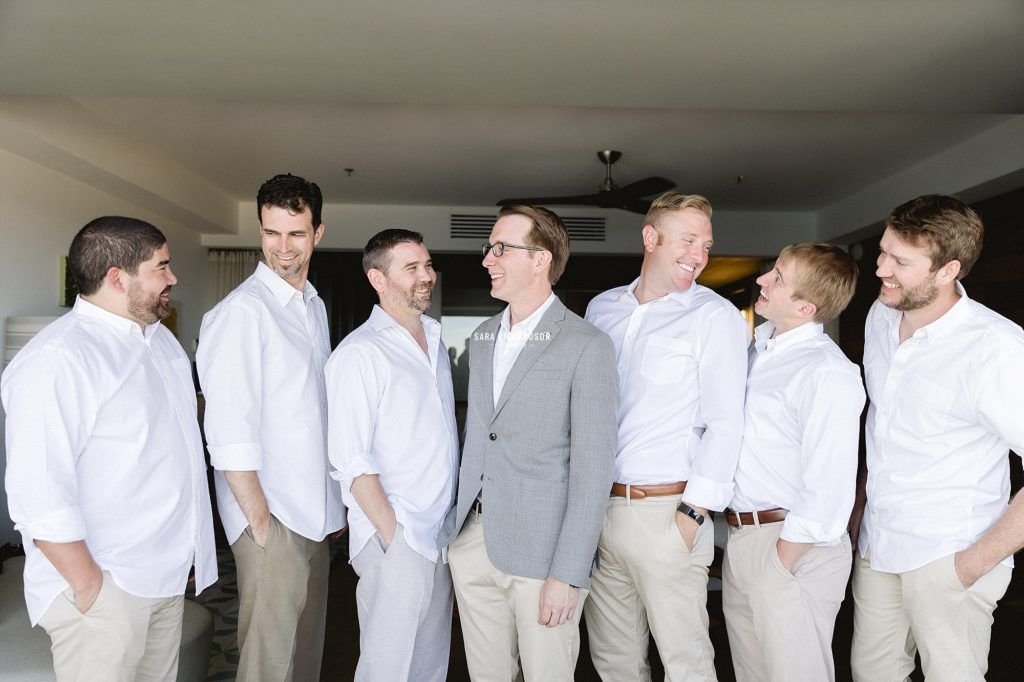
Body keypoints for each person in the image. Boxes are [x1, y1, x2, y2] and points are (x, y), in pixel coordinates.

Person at [3, 216, 217, 681]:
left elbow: (174, 457)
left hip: (163, 578)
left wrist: (188, 552)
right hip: (105, 589)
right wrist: (91, 588)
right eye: (161, 267)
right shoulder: (57, 359)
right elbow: (38, 495)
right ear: (117, 277)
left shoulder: (163, 345)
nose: (173, 278)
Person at [440, 205, 618, 681]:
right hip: (473, 542)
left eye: (502, 248)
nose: (487, 259)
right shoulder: (480, 337)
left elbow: (593, 468)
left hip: (544, 555)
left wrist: (569, 572)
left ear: (540, 259)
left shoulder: (587, 344)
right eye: (488, 248)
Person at [850, 194, 1024, 681]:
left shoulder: (997, 349)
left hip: (950, 556)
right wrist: (862, 507)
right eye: (883, 251)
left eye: (901, 261)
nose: (881, 268)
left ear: (949, 270)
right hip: (879, 549)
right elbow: (884, 429)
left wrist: (969, 566)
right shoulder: (879, 317)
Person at [583, 192, 748, 681]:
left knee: (686, 662)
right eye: (689, 240)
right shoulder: (601, 309)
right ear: (651, 238)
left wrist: (694, 514)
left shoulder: (713, 316)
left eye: (706, 245)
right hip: (599, 512)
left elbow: (727, 421)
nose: (699, 255)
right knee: (613, 660)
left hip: (667, 512)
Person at [197, 173, 345, 681]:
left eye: (296, 234)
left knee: (304, 656)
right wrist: (262, 525)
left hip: (312, 514)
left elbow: (310, 415)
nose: (283, 248)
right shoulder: (242, 313)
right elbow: (227, 430)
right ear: (259, 229)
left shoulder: (314, 307)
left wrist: (332, 501)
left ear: (318, 233)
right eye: (272, 233)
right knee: (269, 665)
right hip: (272, 519)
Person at [722, 243, 864, 682]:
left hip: (792, 547)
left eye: (777, 278)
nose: (762, 281)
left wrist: (780, 561)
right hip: (742, 540)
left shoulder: (827, 373)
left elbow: (830, 483)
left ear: (806, 307)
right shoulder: (755, 350)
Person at [326, 229, 458, 681]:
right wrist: (393, 532)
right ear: (377, 279)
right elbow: (350, 456)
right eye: (412, 268)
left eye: (427, 265)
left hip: (440, 533)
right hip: (398, 535)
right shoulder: (360, 353)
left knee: (428, 664)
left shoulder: (435, 342)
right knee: (387, 667)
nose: (426, 276)